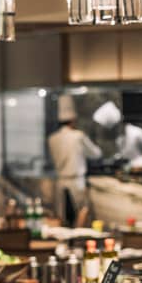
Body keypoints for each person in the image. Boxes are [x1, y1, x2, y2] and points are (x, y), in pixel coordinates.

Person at [47, 94, 101, 227]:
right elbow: (96, 154)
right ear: (73, 120)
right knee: (81, 217)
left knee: (62, 220)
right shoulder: (78, 136)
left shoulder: (52, 138)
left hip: (60, 182)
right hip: (77, 182)